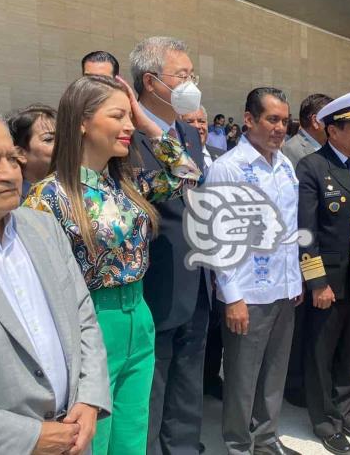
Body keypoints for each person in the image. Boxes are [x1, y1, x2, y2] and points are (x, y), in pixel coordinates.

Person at [24, 75, 201, 454]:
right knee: (92, 440)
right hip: (89, 323)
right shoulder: (49, 197)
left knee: (133, 433)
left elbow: (188, 173)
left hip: (139, 314)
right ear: (83, 122)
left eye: (130, 116)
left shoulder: (128, 184)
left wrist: (146, 118)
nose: (129, 126)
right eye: (118, 115)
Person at [0, 97, 111, 455]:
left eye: (11, 157)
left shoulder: (42, 227)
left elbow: (83, 316)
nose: (9, 173)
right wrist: (28, 437)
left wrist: (90, 398)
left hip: (73, 439)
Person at [205, 87, 302, 455]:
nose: (280, 128)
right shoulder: (227, 168)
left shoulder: (284, 165)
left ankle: (265, 438)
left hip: (283, 290)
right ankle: (238, 444)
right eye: (272, 119)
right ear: (249, 120)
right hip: (247, 295)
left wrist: (295, 280)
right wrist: (233, 298)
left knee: (274, 373)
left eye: (284, 121)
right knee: (243, 378)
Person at [128, 36, 209, 455]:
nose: (190, 83)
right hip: (156, 281)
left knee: (187, 380)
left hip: (197, 280)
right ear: (151, 81)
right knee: (152, 386)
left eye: (192, 74)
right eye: (182, 75)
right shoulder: (128, 136)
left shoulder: (189, 133)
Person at [297, 91, 350, 455]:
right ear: (332, 131)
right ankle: (326, 421)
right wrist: (316, 282)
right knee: (320, 354)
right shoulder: (312, 167)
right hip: (328, 280)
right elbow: (305, 233)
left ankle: (348, 413)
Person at [280, 92, 333, 407]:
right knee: (299, 327)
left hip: (320, 248)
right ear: (316, 120)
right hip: (303, 248)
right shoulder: (295, 151)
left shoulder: (316, 149)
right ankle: (294, 384)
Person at [181, 104, 225, 400]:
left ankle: (211, 377)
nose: (198, 125)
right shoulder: (179, 159)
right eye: (191, 121)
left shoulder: (222, 158)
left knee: (218, 325)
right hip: (192, 257)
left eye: (202, 120)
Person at [7, 103, 56, 198]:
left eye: (63, 138)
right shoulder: (12, 201)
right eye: (49, 139)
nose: (61, 144)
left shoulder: (78, 190)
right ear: (20, 153)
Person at [282, 93, 333, 168]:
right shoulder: (291, 149)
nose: (338, 124)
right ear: (316, 121)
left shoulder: (332, 147)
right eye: (333, 119)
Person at [182, 105, 224, 173]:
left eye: (201, 121)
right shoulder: (171, 159)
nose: (197, 126)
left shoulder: (223, 157)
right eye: (189, 122)